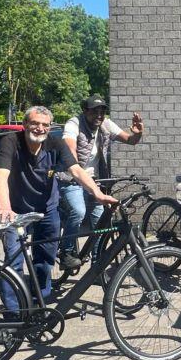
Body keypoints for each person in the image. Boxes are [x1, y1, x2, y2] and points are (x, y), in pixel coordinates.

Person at [0, 106, 117, 310]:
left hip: (47, 210)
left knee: (44, 260)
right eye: (34, 123)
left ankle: (40, 304)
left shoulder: (55, 144)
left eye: (44, 125)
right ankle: (13, 315)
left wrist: (98, 194)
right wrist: (5, 207)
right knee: (13, 261)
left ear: (50, 127)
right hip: (14, 210)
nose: (39, 128)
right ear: (25, 125)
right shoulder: (10, 142)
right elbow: (1, 176)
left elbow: (76, 170)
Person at [57, 94, 144, 269]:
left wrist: (138, 133)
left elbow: (130, 141)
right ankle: (66, 252)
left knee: (101, 224)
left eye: (102, 111)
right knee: (79, 212)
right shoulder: (74, 124)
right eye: (94, 111)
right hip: (71, 179)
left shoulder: (106, 125)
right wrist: (79, 174)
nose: (99, 115)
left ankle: (97, 266)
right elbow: (70, 149)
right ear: (85, 110)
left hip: (95, 182)